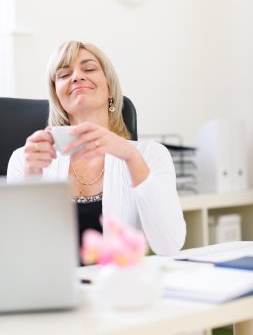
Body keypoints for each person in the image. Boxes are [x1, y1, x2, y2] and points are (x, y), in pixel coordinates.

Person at [7, 40, 186, 256]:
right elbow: (19, 254)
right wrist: (32, 180)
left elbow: (169, 246)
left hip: (118, 285)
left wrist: (131, 157)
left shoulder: (150, 154)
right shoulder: (24, 160)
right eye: (64, 75)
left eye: (89, 68)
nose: (76, 77)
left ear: (110, 88)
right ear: (57, 97)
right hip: (54, 288)